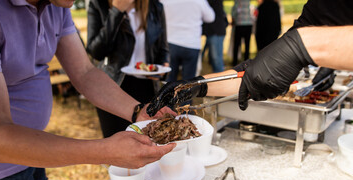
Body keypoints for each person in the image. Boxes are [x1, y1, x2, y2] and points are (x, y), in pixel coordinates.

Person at [0, 0, 176, 180]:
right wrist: (103, 151)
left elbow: (84, 72)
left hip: (36, 156)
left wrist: (138, 111)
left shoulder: (56, 5)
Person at [146, 0, 353, 116]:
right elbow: (255, 73)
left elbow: (303, 45)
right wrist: (197, 85)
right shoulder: (322, 8)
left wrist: (306, 47)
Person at [86, 0, 169, 137]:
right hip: (113, 86)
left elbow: (163, 49)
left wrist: (162, 68)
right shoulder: (98, 4)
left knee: (145, 142)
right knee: (115, 147)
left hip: (147, 87)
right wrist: (116, 12)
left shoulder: (155, 6)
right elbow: (96, 52)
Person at [160, 0, 215, 82]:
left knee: (168, 79)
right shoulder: (199, 1)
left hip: (171, 41)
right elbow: (210, 17)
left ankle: (167, 95)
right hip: (191, 44)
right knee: (188, 83)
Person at [202, 0, 228, 73]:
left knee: (216, 60)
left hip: (216, 31)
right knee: (215, 60)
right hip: (213, 31)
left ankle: (220, 82)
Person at [231, 0, 254, 66]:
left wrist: (233, 19)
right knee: (247, 45)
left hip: (239, 24)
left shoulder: (237, 1)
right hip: (248, 24)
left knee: (237, 44)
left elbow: (234, 12)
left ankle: (235, 62)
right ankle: (246, 62)